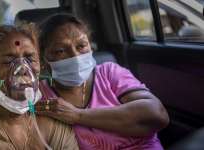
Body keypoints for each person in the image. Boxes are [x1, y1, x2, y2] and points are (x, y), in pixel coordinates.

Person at [0, 14, 169, 150]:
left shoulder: (54, 114)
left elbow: (156, 116)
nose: (22, 70)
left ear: (39, 65)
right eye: (8, 61)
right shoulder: (45, 103)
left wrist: (77, 116)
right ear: (48, 61)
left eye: (29, 58)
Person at [34, 14, 169, 150]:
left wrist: (77, 115)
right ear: (43, 59)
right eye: (60, 51)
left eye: (81, 45)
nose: (75, 56)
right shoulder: (40, 96)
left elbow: (158, 115)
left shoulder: (109, 73)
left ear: (91, 46)